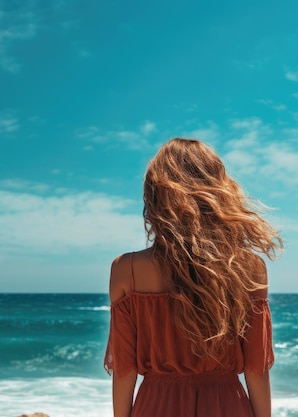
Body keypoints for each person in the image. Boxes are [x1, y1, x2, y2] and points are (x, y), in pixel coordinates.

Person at [104, 138, 282, 417]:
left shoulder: (126, 270)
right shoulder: (247, 267)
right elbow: (256, 370)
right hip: (226, 406)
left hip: (156, 407)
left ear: (155, 197)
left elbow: (124, 372)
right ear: (219, 193)